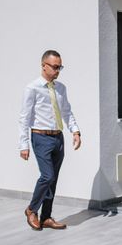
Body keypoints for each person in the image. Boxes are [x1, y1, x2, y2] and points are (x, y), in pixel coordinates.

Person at [18, 50, 81, 231]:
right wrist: (24, 145)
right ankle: (31, 210)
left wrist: (75, 131)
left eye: (60, 67)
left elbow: (67, 112)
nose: (57, 70)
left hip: (58, 138)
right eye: (54, 67)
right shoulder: (32, 88)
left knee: (53, 180)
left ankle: (46, 217)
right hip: (40, 137)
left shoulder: (61, 88)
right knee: (47, 176)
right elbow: (24, 118)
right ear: (43, 65)